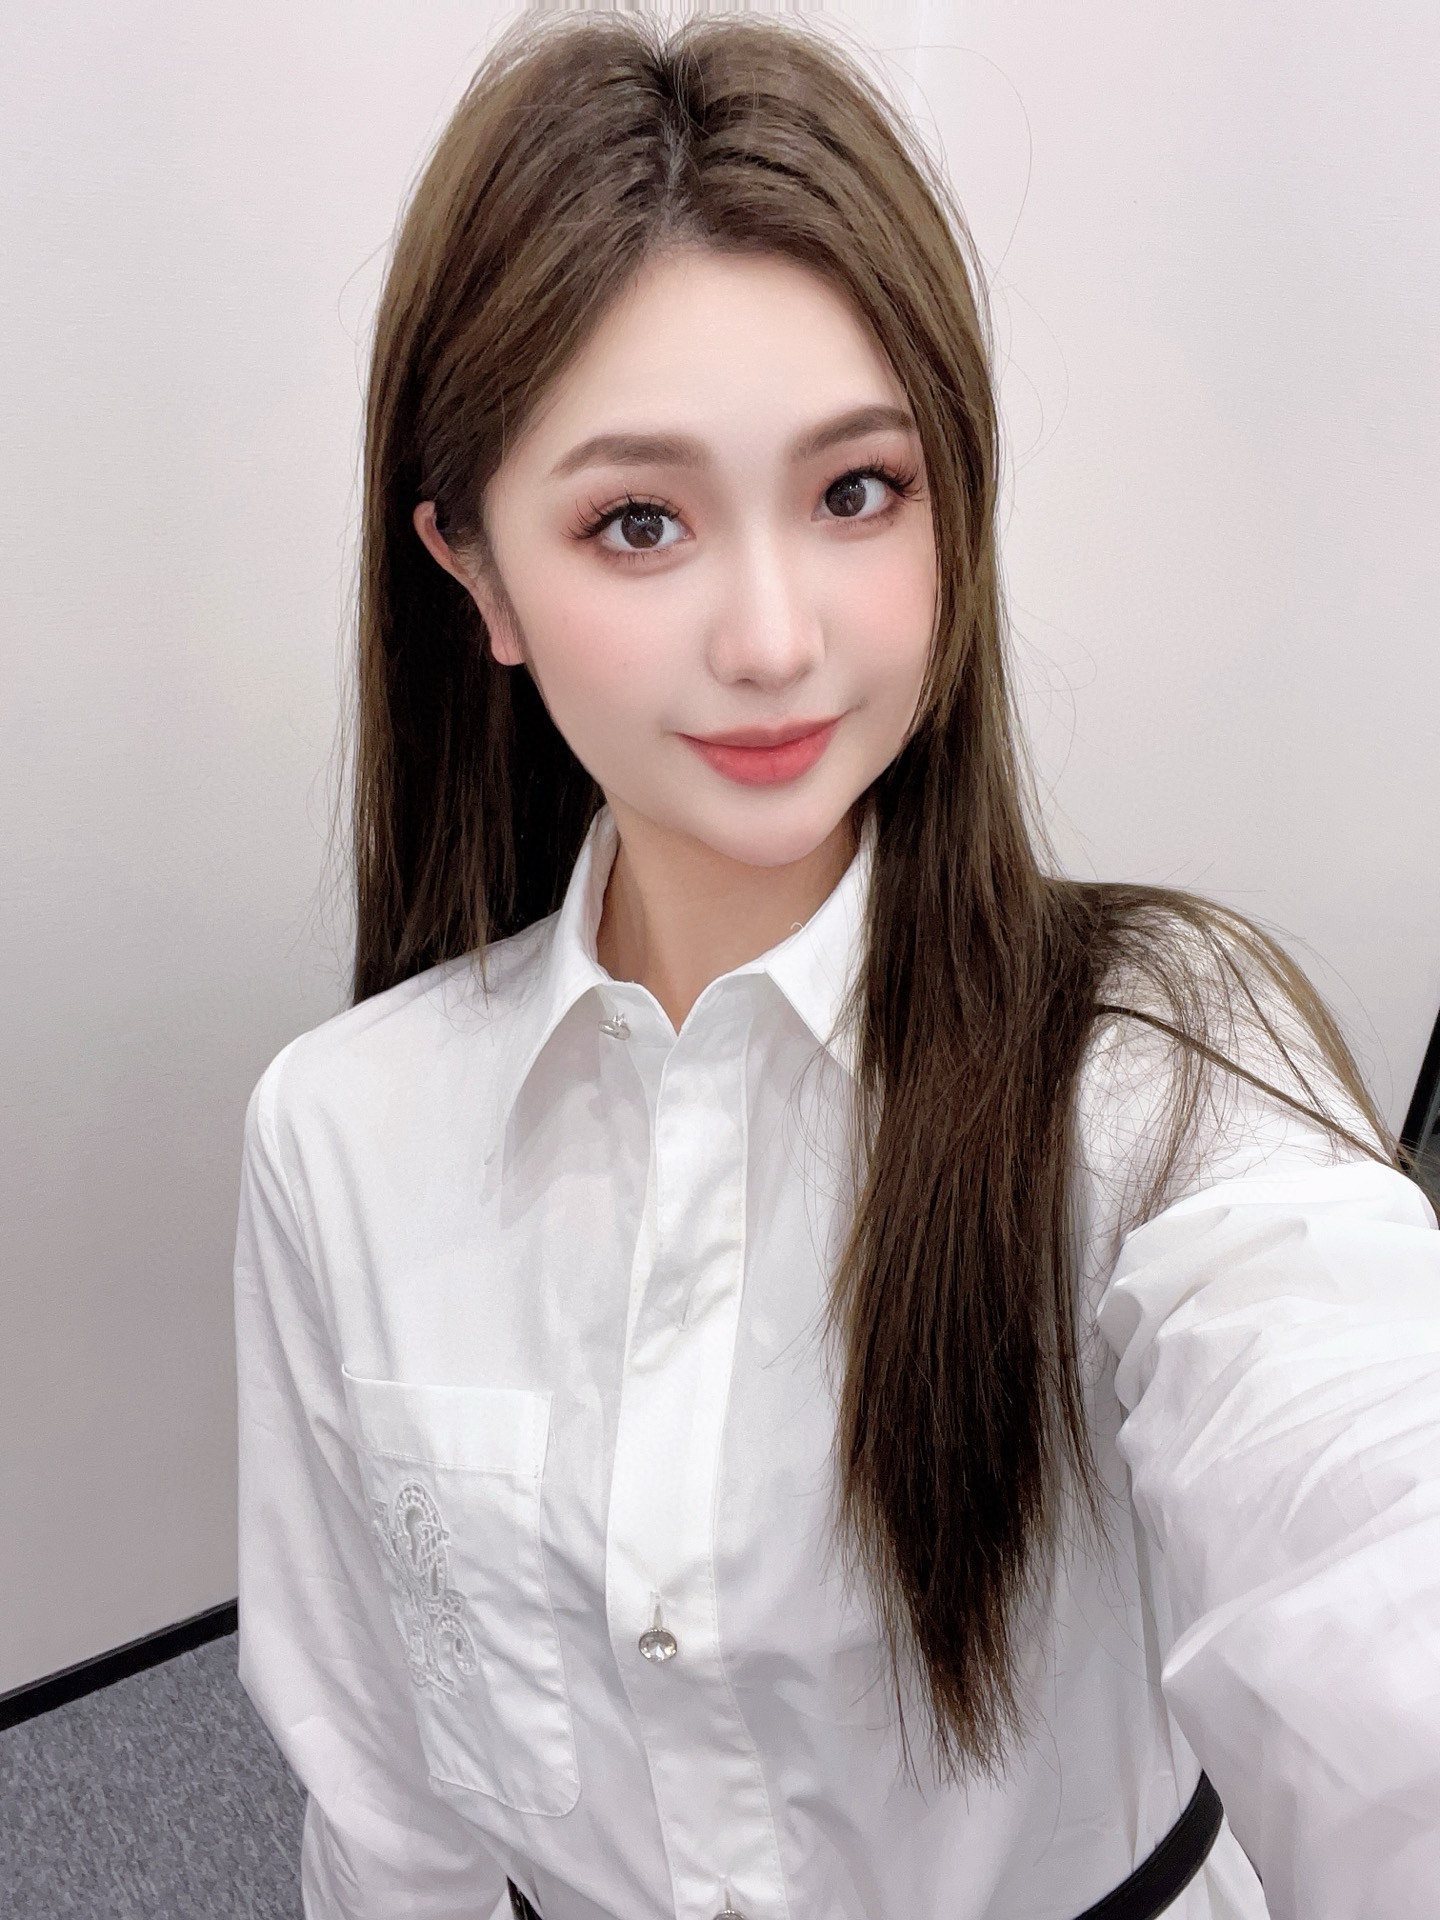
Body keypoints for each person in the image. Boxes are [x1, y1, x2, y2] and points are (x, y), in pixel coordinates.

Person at [231, 13, 1440, 1920]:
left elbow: (1367, 1518)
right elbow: (391, 1811)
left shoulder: (1159, 1060)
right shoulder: (343, 1134)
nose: (778, 639)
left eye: (857, 490)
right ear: (476, 573)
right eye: (639, 522)